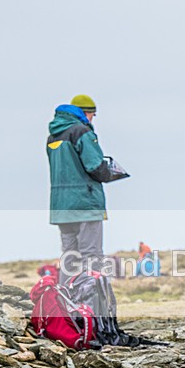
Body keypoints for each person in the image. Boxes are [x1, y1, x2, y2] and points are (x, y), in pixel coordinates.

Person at [46, 95, 114, 284]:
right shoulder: (82, 132)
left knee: (69, 257)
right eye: (93, 115)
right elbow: (95, 166)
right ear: (85, 113)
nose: (92, 119)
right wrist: (109, 172)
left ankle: (66, 299)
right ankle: (91, 299)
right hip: (85, 202)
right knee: (91, 256)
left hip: (61, 206)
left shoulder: (53, 136)